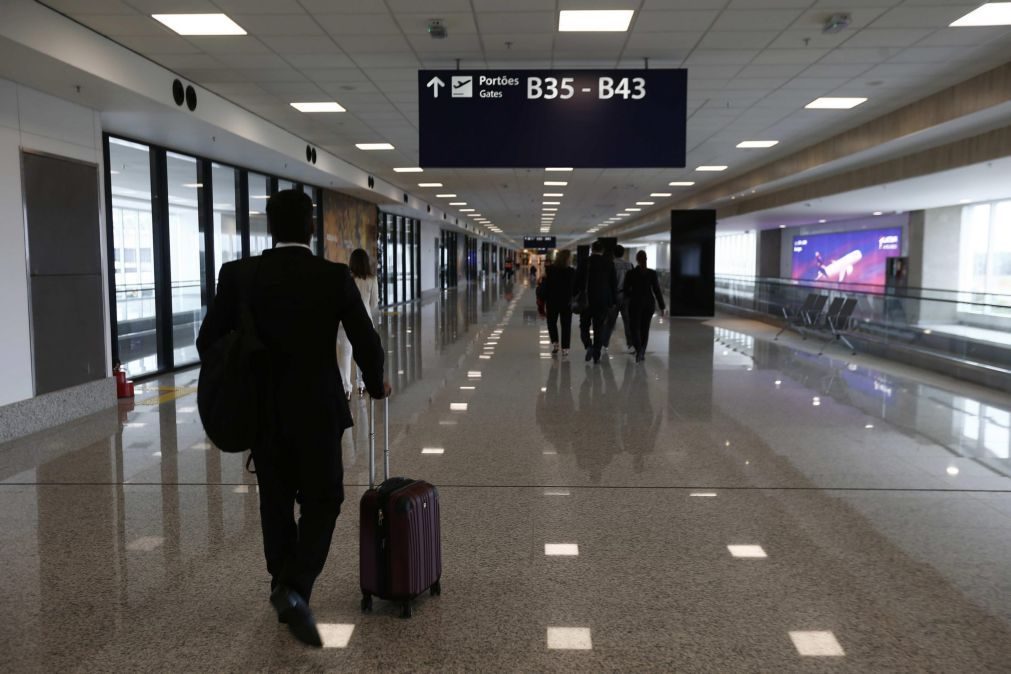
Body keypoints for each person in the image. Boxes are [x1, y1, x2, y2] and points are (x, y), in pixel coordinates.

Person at [196, 190, 390, 648]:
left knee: (275, 499)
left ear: (270, 228)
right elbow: (366, 340)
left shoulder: (239, 275)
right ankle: (295, 586)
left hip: (262, 412)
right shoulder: (333, 277)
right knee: (324, 499)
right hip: (318, 411)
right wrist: (376, 380)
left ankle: (281, 582)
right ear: (310, 228)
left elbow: (208, 342)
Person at [337, 248, 380, 399]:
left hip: (344, 323)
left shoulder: (346, 279)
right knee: (363, 354)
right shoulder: (372, 279)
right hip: (364, 322)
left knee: (345, 355)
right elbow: (374, 303)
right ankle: (362, 385)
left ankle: (346, 388)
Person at [576, 240, 617, 364]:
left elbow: (577, 280)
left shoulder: (585, 262)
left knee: (584, 326)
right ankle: (596, 355)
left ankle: (588, 346)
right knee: (599, 328)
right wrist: (612, 301)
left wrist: (574, 296)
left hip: (586, 300)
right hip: (602, 301)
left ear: (591, 249)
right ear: (602, 251)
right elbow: (613, 284)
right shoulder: (609, 263)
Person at [623, 250, 666, 363]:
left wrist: (631, 294)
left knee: (634, 328)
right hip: (649, 303)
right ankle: (642, 351)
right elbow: (657, 290)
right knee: (644, 328)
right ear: (646, 259)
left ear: (637, 260)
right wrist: (662, 306)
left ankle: (639, 350)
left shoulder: (631, 273)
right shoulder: (652, 273)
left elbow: (626, 291)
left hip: (635, 303)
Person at [541, 249, 576, 358]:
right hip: (566, 302)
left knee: (551, 323)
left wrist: (544, 299)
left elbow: (546, 286)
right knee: (566, 325)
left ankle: (555, 343)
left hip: (552, 301)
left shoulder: (550, 270)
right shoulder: (571, 271)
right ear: (567, 259)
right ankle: (565, 348)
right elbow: (574, 288)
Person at [604, 245, 634, 354]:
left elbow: (608, 282)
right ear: (623, 253)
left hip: (614, 296)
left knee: (610, 322)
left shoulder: (611, 265)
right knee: (628, 322)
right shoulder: (629, 265)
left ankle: (604, 343)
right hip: (626, 297)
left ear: (613, 253)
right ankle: (630, 345)